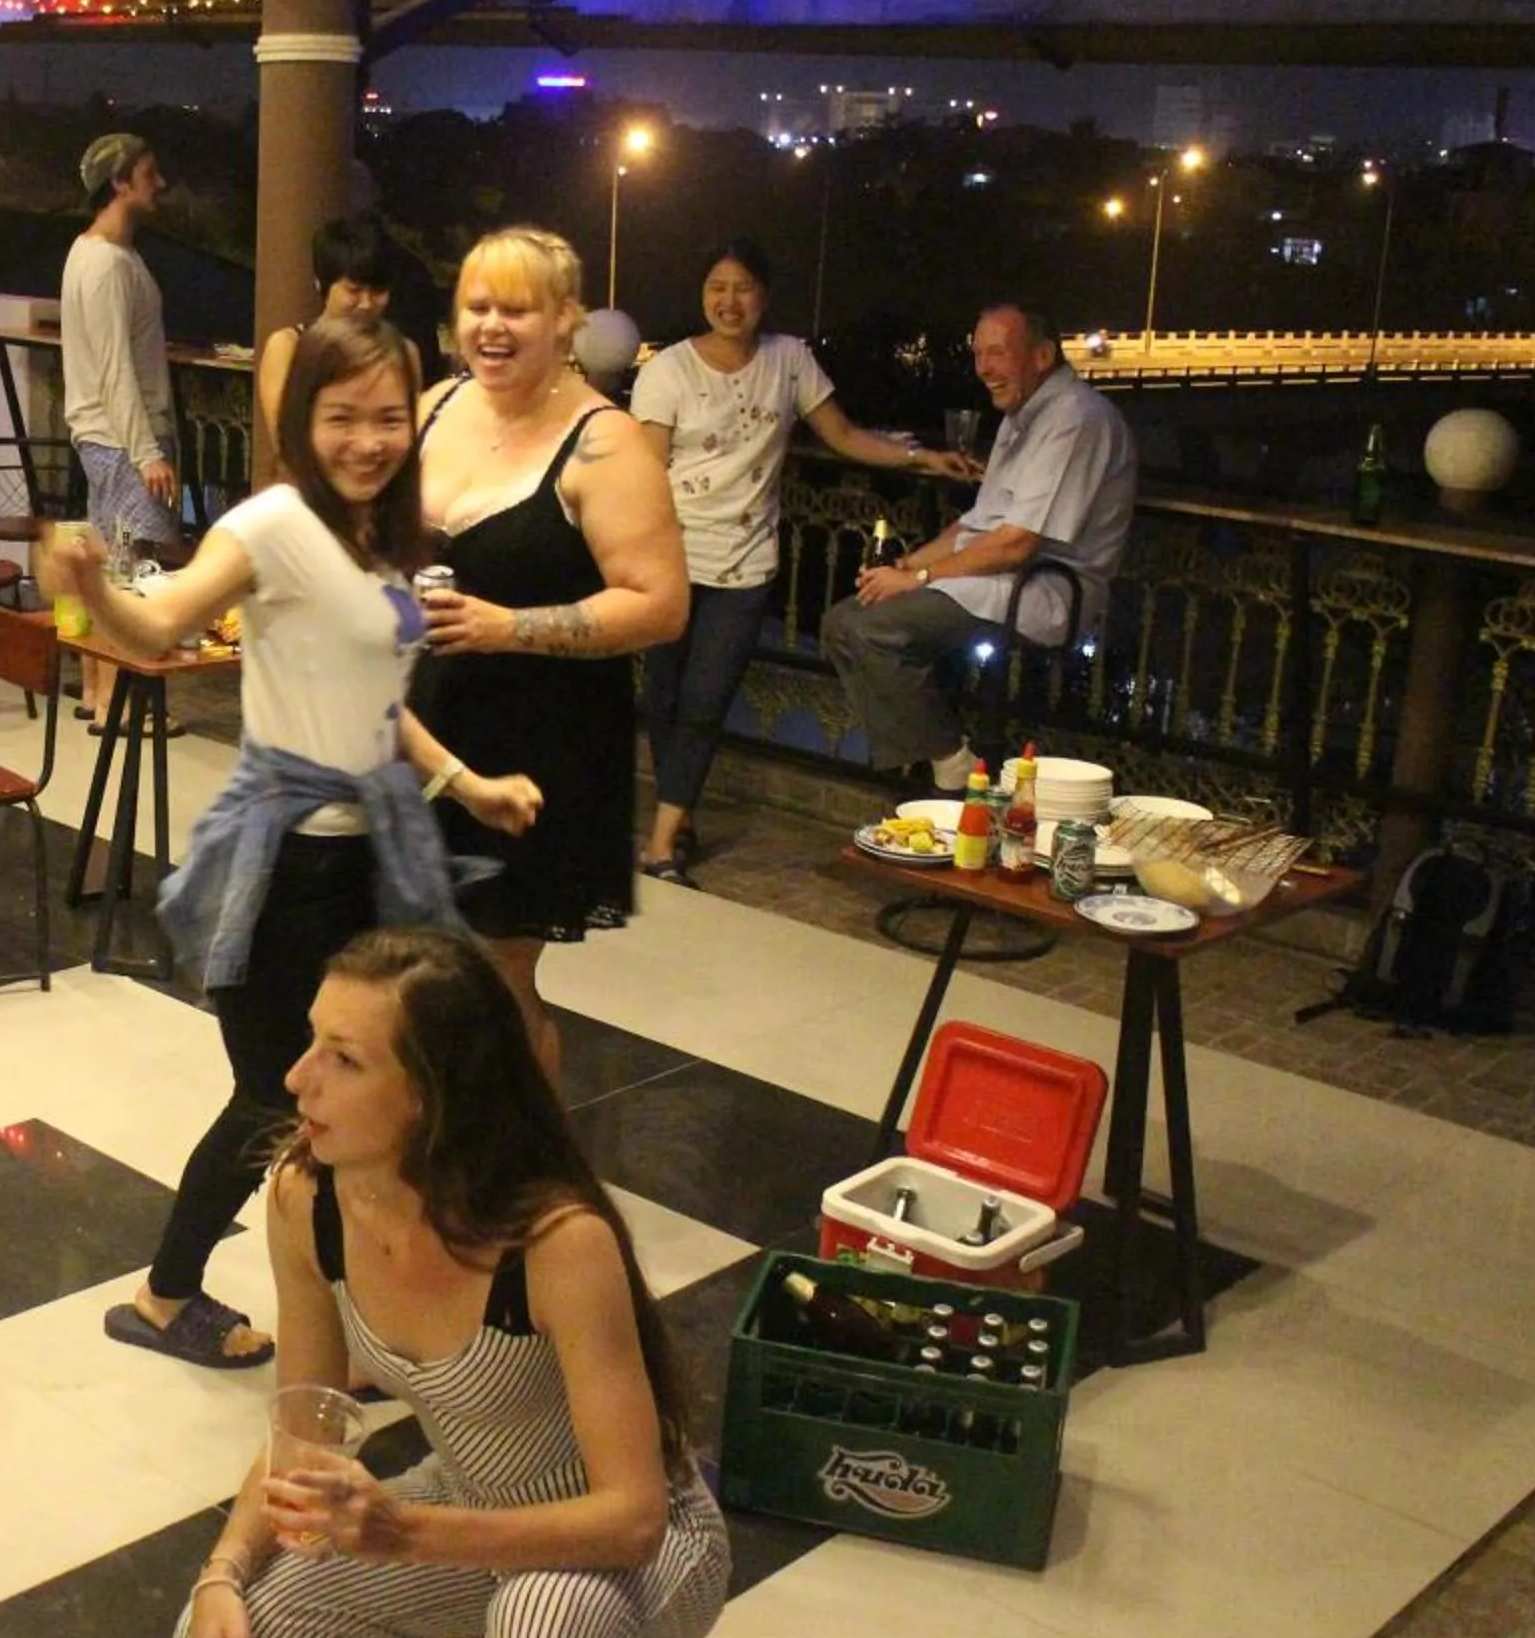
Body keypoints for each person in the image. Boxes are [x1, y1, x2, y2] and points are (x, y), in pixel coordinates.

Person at [61, 315, 539, 1370]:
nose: (368, 439)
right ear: (299, 421)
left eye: (386, 416)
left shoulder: (382, 537)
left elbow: (375, 702)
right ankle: (164, 1294)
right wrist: (95, 584)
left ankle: (356, 1319)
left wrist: (468, 782)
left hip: (369, 858)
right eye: (341, 417)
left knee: (371, 1099)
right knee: (284, 1098)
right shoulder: (274, 520)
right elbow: (164, 619)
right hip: (286, 867)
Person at [172, 927, 730, 1638]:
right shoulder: (307, 1196)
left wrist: (405, 1533)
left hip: (638, 1552)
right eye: (312, 1039)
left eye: (344, 1060)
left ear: (431, 1097)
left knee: (541, 1626)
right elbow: (307, 1429)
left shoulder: (553, 1241)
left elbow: (633, 1518)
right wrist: (223, 1574)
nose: (296, 1076)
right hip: (476, 1515)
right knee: (244, 1630)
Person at [411, 229, 685, 1081]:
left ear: (565, 319)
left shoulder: (606, 443)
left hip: (542, 741)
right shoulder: (437, 405)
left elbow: (660, 605)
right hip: (427, 727)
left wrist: (508, 625)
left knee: (498, 974)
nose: (491, 327)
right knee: (417, 969)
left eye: (516, 309)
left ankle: (524, 1174)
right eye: (476, 307)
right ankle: (437, 1156)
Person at [628, 240, 934, 884]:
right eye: (716, 286)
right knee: (666, 697)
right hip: (669, 559)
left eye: (742, 287)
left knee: (706, 702)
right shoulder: (669, 371)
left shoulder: (789, 359)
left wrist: (921, 458)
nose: (728, 301)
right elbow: (642, 471)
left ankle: (658, 848)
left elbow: (844, 436)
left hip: (744, 563)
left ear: (763, 296)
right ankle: (677, 821)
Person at [820, 301, 1137, 790]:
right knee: (842, 622)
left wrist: (919, 578)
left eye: (998, 353)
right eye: (977, 354)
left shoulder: (1076, 417)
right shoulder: (1021, 415)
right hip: (997, 576)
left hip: (1043, 590)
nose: (984, 368)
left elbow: (1016, 544)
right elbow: (974, 526)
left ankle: (947, 765)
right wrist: (902, 566)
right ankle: (937, 762)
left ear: (1042, 355)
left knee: (872, 631)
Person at [61, 131, 184, 729]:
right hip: (120, 438)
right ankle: (118, 702)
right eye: (148, 172)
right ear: (119, 182)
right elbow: (116, 370)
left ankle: (97, 691)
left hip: (101, 435)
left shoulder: (96, 253)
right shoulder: (107, 263)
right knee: (131, 573)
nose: (158, 183)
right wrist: (147, 452)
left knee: (112, 562)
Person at [253, 215, 423, 437]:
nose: (366, 303)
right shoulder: (288, 346)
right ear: (320, 284)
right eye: (353, 290)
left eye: (378, 291)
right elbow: (286, 440)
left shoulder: (404, 352)